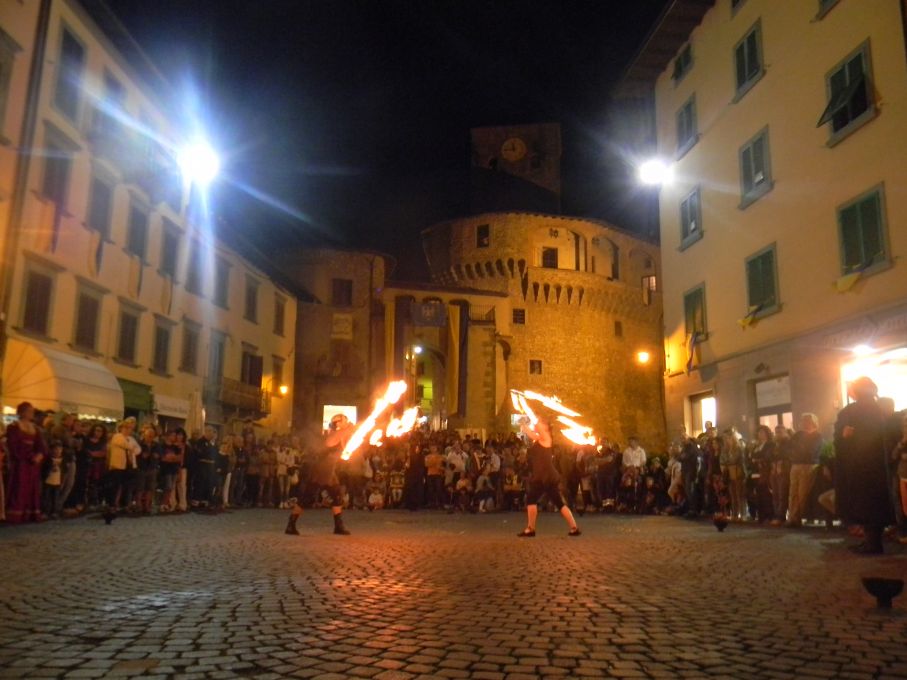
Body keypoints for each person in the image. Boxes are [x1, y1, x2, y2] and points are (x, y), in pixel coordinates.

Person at [834, 377, 895, 554]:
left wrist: (844, 436)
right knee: (869, 505)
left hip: (861, 466)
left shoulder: (859, 410)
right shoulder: (875, 408)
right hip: (872, 466)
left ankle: (873, 544)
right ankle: (870, 541)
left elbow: (849, 436)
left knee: (867, 505)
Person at [285, 413, 355, 536]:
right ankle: (291, 524)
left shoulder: (340, 434)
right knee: (308, 497)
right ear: (339, 423)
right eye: (344, 420)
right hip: (322, 470)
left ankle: (338, 526)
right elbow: (329, 444)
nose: (347, 423)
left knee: (337, 495)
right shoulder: (334, 435)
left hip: (330, 470)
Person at [516, 418, 580, 537]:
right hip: (543, 476)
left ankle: (531, 529)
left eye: (540, 423)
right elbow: (531, 434)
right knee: (557, 502)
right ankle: (574, 527)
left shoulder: (546, 438)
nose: (537, 424)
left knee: (531, 499)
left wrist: (527, 424)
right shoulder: (539, 438)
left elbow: (534, 434)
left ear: (545, 427)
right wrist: (524, 426)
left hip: (545, 477)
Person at [787, 413, 822, 527]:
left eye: (805, 421)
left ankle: (797, 517)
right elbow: (790, 448)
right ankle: (792, 518)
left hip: (808, 465)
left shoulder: (817, 436)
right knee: (793, 493)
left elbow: (811, 451)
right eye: (802, 421)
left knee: (802, 493)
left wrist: (799, 450)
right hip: (796, 464)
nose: (803, 423)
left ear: (812, 422)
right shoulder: (797, 435)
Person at [107, 418, 141, 511]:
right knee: (116, 486)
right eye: (125, 428)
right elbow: (127, 446)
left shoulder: (131, 438)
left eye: (129, 428)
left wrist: (133, 449)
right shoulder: (117, 436)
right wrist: (132, 448)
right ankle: (112, 505)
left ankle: (123, 504)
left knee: (126, 486)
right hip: (118, 466)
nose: (127, 430)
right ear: (121, 428)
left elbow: (138, 449)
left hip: (128, 466)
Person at [769, 426, 792, 526]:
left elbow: (786, 454)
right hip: (774, 470)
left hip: (783, 470)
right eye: (776, 432)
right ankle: (776, 514)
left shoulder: (788, 442)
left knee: (782, 494)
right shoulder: (774, 444)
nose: (777, 434)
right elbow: (769, 455)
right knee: (775, 494)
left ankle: (781, 516)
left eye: (779, 432)